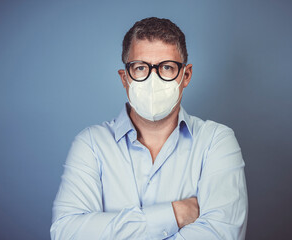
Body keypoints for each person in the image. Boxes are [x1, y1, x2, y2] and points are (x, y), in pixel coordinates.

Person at [51, 17, 248, 240]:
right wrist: (174, 214)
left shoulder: (216, 142)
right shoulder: (91, 144)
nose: (153, 81)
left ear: (186, 75)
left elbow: (221, 233)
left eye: (166, 67)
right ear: (125, 78)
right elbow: (66, 232)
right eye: (141, 67)